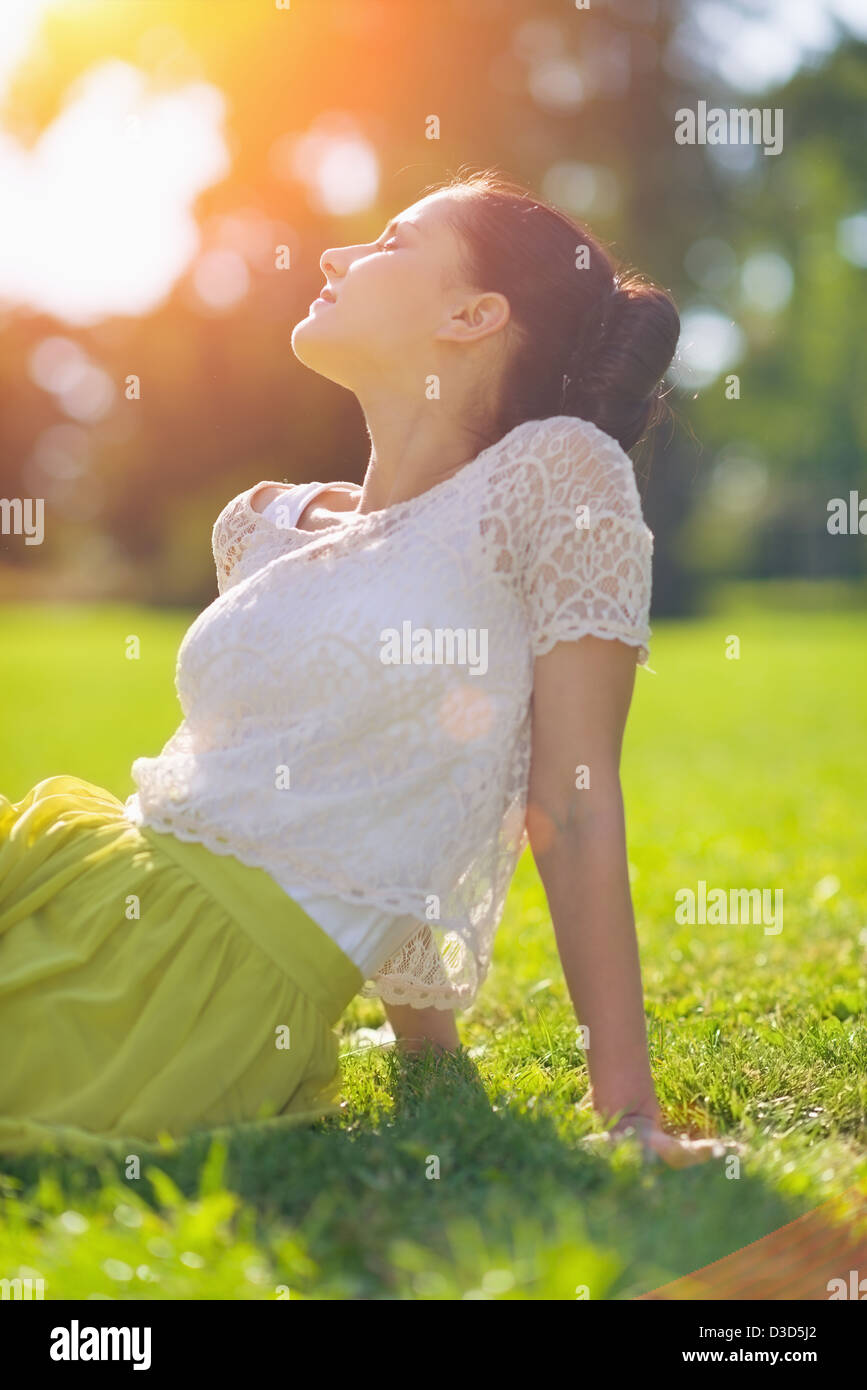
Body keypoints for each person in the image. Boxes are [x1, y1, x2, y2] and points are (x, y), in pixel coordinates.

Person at [0, 170, 721, 1166]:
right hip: (80, 870)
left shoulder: (554, 480)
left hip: (179, 977)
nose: (335, 257)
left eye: (387, 242)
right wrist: (425, 1047)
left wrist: (629, 1110)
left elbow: (573, 796)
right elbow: (361, 779)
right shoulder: (264, 522)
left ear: (474, 314)